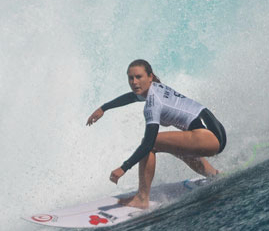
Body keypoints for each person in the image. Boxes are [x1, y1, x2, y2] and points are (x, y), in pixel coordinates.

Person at [86, 59, 226, 209]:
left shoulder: (153, 103)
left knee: (153, 143)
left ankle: (142, 198)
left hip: (208, 137)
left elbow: (148, 143)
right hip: (216, 132)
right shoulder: (155, 88)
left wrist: (124, 168)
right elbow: (131, 97)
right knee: (172, 145)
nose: (134, 82)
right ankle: (213, 174)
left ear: (150, 76)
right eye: (130, 78)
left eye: (138, 77)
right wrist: (104, 108)